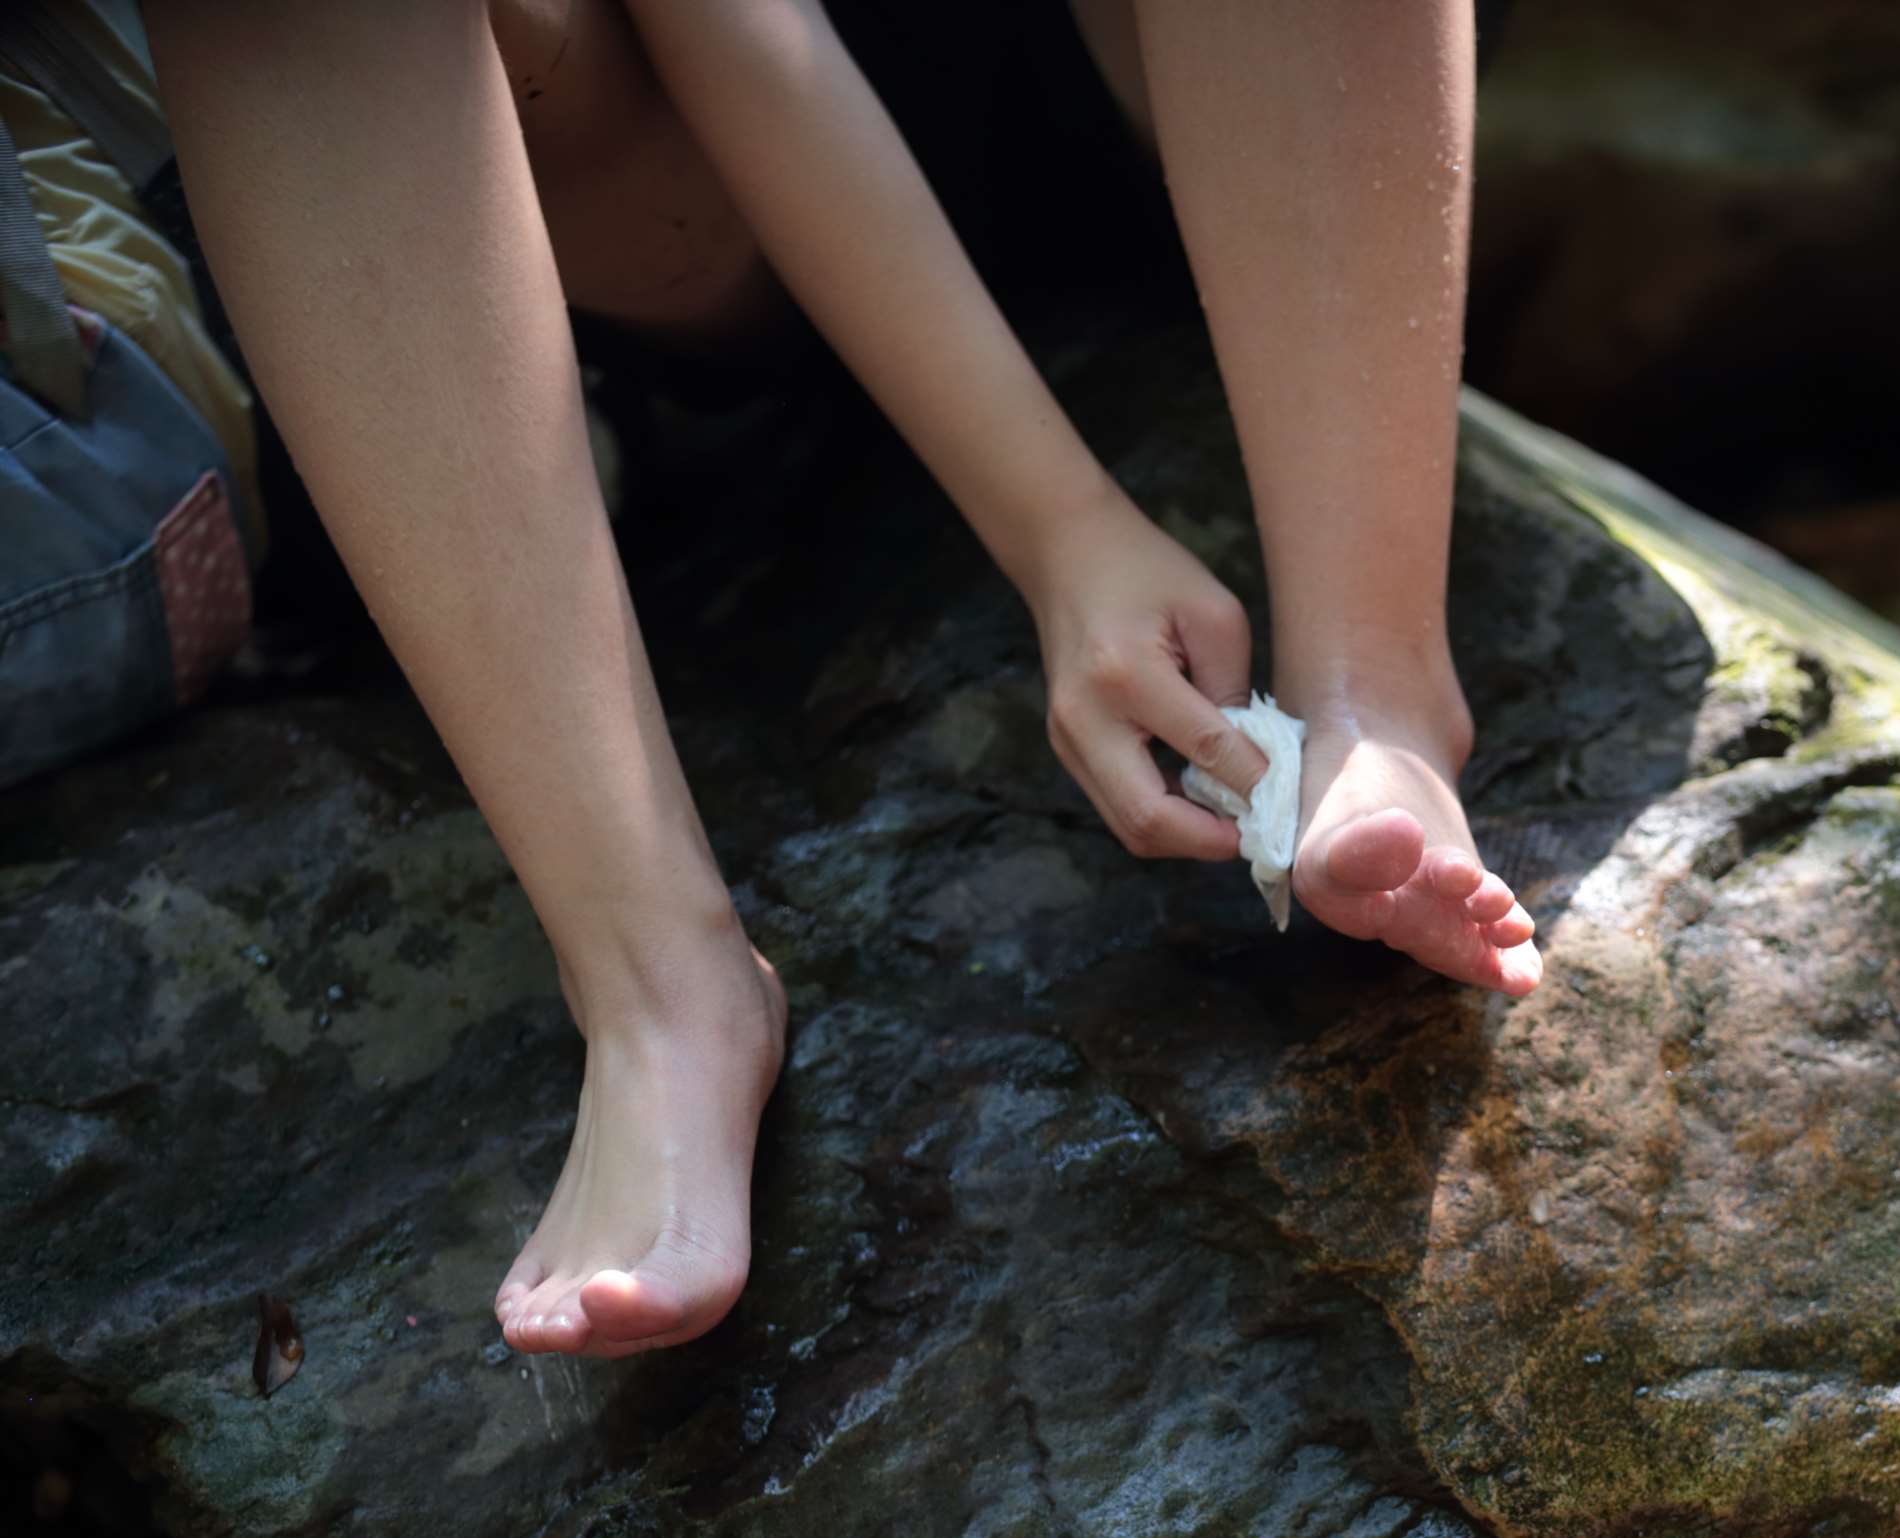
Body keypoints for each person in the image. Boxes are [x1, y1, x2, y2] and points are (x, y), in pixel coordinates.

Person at [131, 0, 1543, 1360]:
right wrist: (1057, 526)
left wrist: (1072, 536)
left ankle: (1378, 688)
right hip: (616, 191)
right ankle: (656, 990)